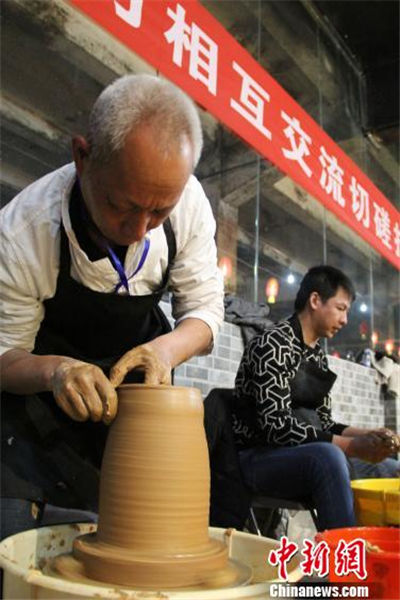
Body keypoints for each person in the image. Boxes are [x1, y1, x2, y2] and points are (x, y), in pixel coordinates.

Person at [0, 74, 223, 539]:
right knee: (14, 540)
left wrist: (164, 352)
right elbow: (4, 354)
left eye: (159, 211)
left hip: (136, 395)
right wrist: (54, 371)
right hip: (37, 400)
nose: (140, 228)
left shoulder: (187, 204)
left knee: (144, 537)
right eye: (122, 205)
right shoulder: (24, 231)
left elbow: (203, 311)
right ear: (83, 157)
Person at [232, 265, 399, 531]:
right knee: (329, 457)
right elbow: (275, 426)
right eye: (341, 308)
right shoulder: (272, 344)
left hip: (302, 453)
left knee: (391, 468)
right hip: (257, 457)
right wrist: (352, 446)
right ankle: (346, 565)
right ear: (315, 300)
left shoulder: (316, 354)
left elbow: (324, 423)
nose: (345, 320)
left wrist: (369, 435)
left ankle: (382, 557)